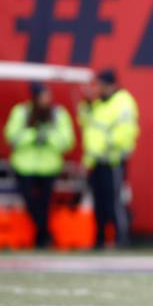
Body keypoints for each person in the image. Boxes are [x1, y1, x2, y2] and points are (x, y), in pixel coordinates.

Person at [4, 82, 75, 247]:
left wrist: (48, 138)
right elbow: (11, 136)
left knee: (45, 203)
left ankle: (42, 237)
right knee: (30, 202)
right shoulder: (21, 112)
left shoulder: (58, 114)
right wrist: (33, 136)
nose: (47, 100)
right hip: (25, 166)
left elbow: (67, 140)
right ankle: (43, 234)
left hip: (49, 166)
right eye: (43, 96)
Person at [78, 70, 139, 248]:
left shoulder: (123, 102)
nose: (99, 89)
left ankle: (121, 239)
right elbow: (86, 124)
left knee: (115, 201)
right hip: (95, 161)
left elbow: (126, 132)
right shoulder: (97, 104)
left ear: (111, 85)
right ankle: (100, 239)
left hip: (112, 161)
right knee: (98, 202)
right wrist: (87, 104)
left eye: (101, 85)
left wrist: (106, 147)